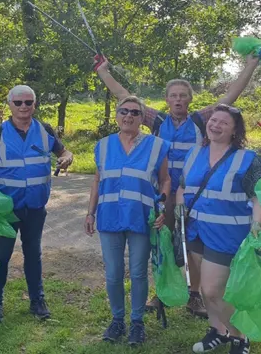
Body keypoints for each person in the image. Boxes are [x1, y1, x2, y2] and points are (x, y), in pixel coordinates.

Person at [95, 54, 260, 316]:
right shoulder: (156, 121)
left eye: (183, 95)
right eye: (173, 95)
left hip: (191, 196)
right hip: (161, 194)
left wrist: (250, 64)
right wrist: (104, 71)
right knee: (161, 244)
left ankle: (194, 294)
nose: (178, 99)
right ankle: (161, 292)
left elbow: (229, 98)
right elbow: (123, 96)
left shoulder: (200, 119)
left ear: (190, 99)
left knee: (192, 246)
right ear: (167, 98)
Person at [0, 85, 74, 323]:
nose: (23, 107)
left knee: (33, 254)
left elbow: (65, 152)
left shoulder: (44, 130)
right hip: (5, 208)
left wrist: (66, 158)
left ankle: (37, 300)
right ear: (9, 104)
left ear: (35, 104)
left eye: (28, 102)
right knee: (1, 255)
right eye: (18, 103)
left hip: (35, 206)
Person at [176, 104, 261, 354]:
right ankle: (218, 331)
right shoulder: (194, 153)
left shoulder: (247, 159)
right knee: (204, 287)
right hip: (195, 230)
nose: (215, 125)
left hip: (226, 235)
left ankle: (239, 337)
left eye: (223, 123)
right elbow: (183, 186)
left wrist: (257, 224)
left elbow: (259, 196)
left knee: (213, 290)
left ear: (235, 131)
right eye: (213, 120)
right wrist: (180, 206)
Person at [85, 96, 171, 347]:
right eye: (124, 111)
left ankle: (137, 323)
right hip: (109, 217)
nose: (129, 116)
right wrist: (90, 212)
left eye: (135, 112)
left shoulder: (156, 145)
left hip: (141, 218)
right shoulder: (103, 145)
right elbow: (97, 181)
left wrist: (163, 206)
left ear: (142, 118)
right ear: (116, 115)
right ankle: (117, 320)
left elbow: (166, 180)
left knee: (137, 273)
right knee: (112, 274)